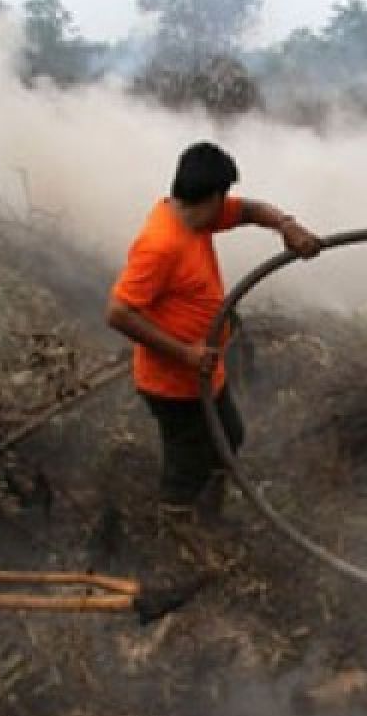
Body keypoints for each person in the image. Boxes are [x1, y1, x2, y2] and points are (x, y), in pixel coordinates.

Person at [107, 142, 323, 516]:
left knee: (229, 438)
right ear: (210, 197)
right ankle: (177, 530)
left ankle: (208, 515)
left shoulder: (195, 216)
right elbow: (119, 313)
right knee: (189, 462)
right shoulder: (159, 245)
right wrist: (185, 353)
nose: (228, 205)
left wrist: (288, 226)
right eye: (223, 197)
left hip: (205, 372)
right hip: (172, 383)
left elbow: (251, 211)